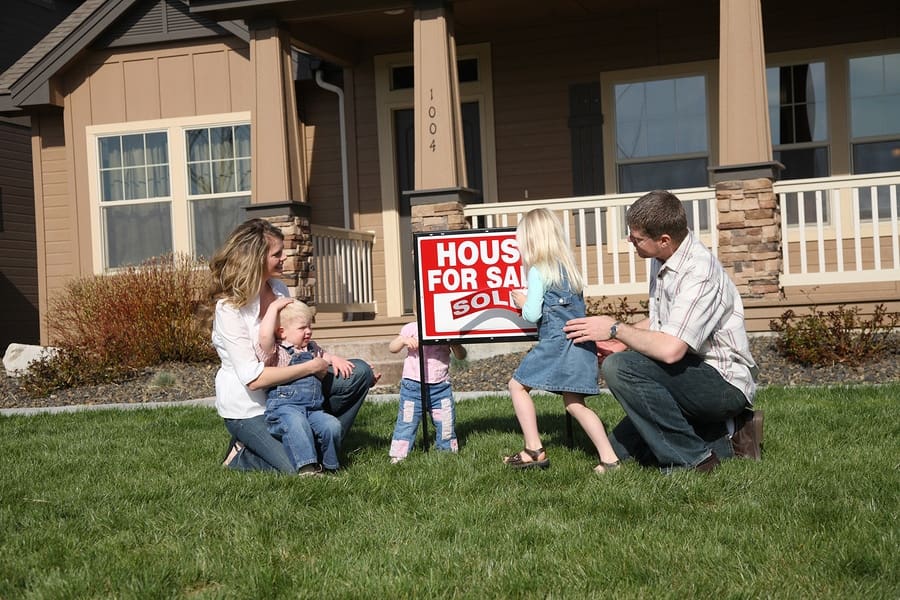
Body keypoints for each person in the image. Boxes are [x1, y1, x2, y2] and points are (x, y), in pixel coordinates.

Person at [563, 190, 761, 473]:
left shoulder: (699, 273)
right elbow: (663, 323)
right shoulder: (665, 258)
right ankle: (728, 437)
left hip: (722, 383)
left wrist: (615, 328)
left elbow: (670, 349)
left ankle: (694, 461)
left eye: (636, 237)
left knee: (622, 368)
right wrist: (616, 341)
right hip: (690, 373)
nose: (630, 240)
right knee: (618, 451)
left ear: (664, 240)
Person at [208, 218, 378, 473]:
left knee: (359, 373)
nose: (284, 257)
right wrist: (312, 367)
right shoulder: (229, 310)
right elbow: (253, 380)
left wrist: (329, 358)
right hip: (248, 406)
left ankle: (320, 442)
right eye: (277, 253)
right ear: (256, 259)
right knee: (294, 466)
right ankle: (241, 454)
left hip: (290, 395)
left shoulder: (278, 289)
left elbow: (293, 339)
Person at [502, 208, 620, 473]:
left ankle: (534, 448)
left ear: (531, 240)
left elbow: (533, 313)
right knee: (575, 404)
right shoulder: (570, 270)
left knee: (516, 386)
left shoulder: (538, 270)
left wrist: (522, 302)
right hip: (580, 342)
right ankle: (610, 459)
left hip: (556, 342)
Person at [256, 298, 348, 475]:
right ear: (282, 332)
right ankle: (306, 470)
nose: (308, 332)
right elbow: (265, 337)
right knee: (297, 424)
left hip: (312, 409)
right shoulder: (278, 351)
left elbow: (326, 356)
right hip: (285, 409)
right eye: (302, 328)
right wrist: (274, 307)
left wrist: (336, 360)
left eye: (310, 327)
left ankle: (329, 467)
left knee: (332, 426)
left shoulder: (312, 348)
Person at [388, 322, 467, 464]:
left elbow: (461, 356)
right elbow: (392, 348)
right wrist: (403, 340)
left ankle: (447, 451)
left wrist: (456, 344)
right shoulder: (412, 328)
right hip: (413, 384)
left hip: (440, 386)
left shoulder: (446, 327)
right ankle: (399, 455)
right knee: (407, 420)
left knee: (446, 420)